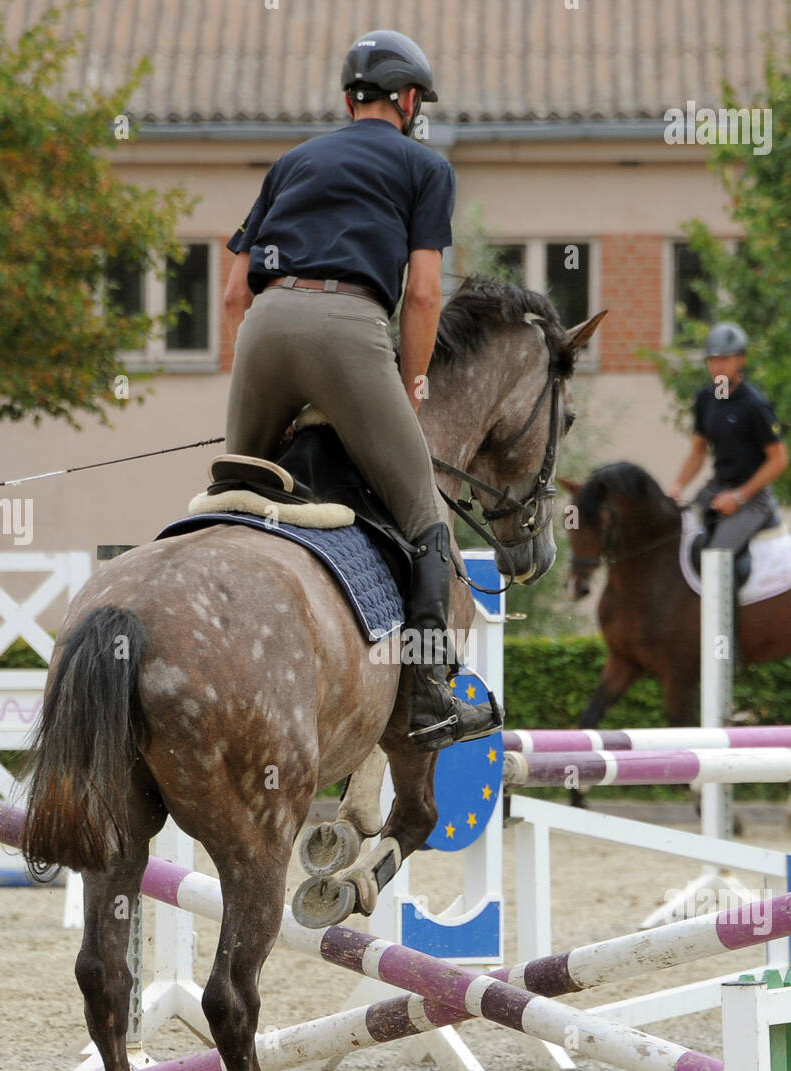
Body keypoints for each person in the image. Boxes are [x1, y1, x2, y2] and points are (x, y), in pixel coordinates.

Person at [221, 30, 500, 753]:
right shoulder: (424, 167)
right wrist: (408, 384)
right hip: (349, 329)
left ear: (349, 98)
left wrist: (258, 385)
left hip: (264, 326)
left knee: (232, 501)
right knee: (422, 516)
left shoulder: (292, 162)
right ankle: (431, 695)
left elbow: (230, 294)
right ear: (408, 101)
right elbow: (423, 296)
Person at [670, 321, 789, 587]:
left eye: (724, 360)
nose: (718, 366)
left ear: (740, 360)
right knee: (674, 535)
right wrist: (678, 486)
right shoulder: (705, 400)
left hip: (752, 497)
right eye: (712, 360)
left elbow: (779, 460)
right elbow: (698, 453)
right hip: (717, 488)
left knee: (716, 558)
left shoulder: (754, 404)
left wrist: (739, 496)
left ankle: (725, 626)